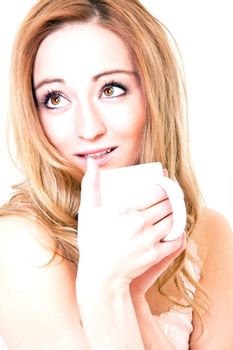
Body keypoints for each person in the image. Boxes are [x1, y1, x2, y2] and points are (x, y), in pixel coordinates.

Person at [0, 0, 233, 349]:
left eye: (111, 89)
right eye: (55, 98)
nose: (88, 128)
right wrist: (104, 288)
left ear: (154, 94)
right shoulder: (23, 243)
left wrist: (133, 300)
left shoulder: (206, 232)